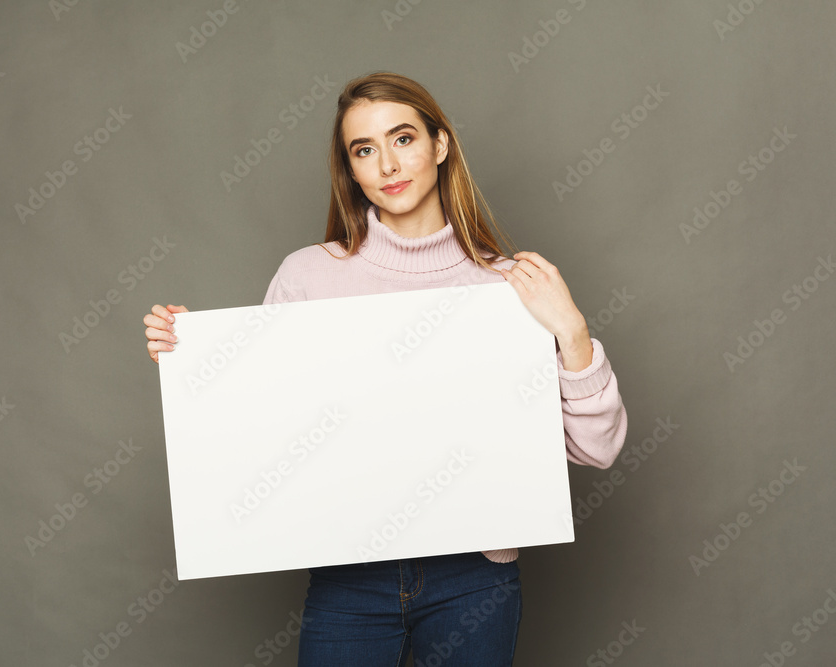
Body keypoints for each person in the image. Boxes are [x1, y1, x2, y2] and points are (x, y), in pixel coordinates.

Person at [144, 71, 628, 666]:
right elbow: (265, 434)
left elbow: (596, 449)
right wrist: (198, 356)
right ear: (351, 169)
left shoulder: (510, 285)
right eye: (364, 150)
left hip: (473, 581)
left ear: (440, 145)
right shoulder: (307, 275)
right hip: (349, 578)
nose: (387, 165)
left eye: (403, 139)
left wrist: (572, 332)